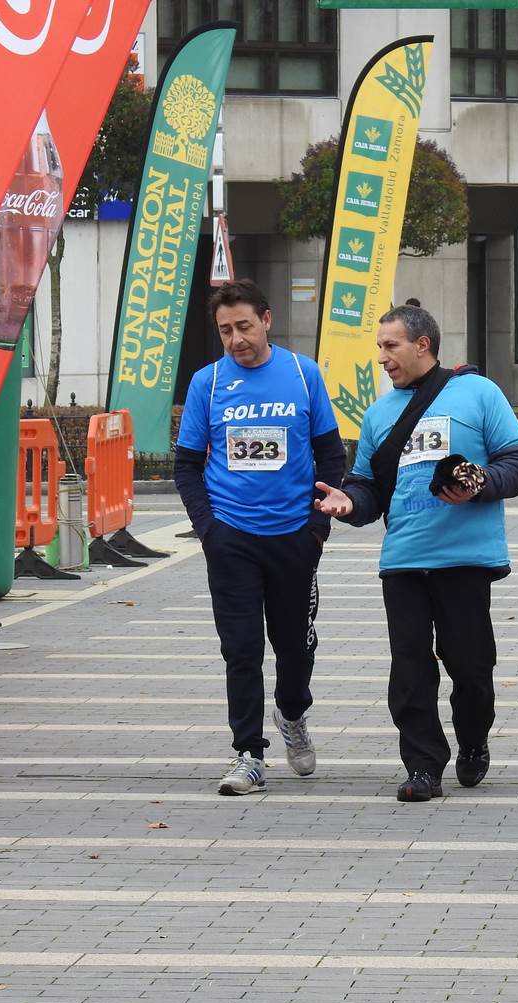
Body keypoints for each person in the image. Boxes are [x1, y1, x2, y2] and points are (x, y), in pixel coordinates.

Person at [312, 304, 518, 802]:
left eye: (390, 346)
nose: (382, 357)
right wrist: (349, 502)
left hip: (465, 559)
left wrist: (478, 484)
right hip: (404, 561)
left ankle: (473, 740)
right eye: (379, 347)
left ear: (422, 345)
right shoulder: (378, 413)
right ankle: (422, 766)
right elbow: (368, 486)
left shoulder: (478, 393)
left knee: (471, 667)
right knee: (410, 667)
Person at [174, 279, 346, 795]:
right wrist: (210, 530)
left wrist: (317, 528)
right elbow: (185, 467)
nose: (235, 339)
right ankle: (248, 754)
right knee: (241, 649)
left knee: (294, 647)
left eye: (244, 326)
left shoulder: (301, 372)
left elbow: (331, 456)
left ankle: (292, 713)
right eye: (225, 330)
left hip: (294, 536)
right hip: (232, 539)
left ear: (267, 320)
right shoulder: (207, 383)